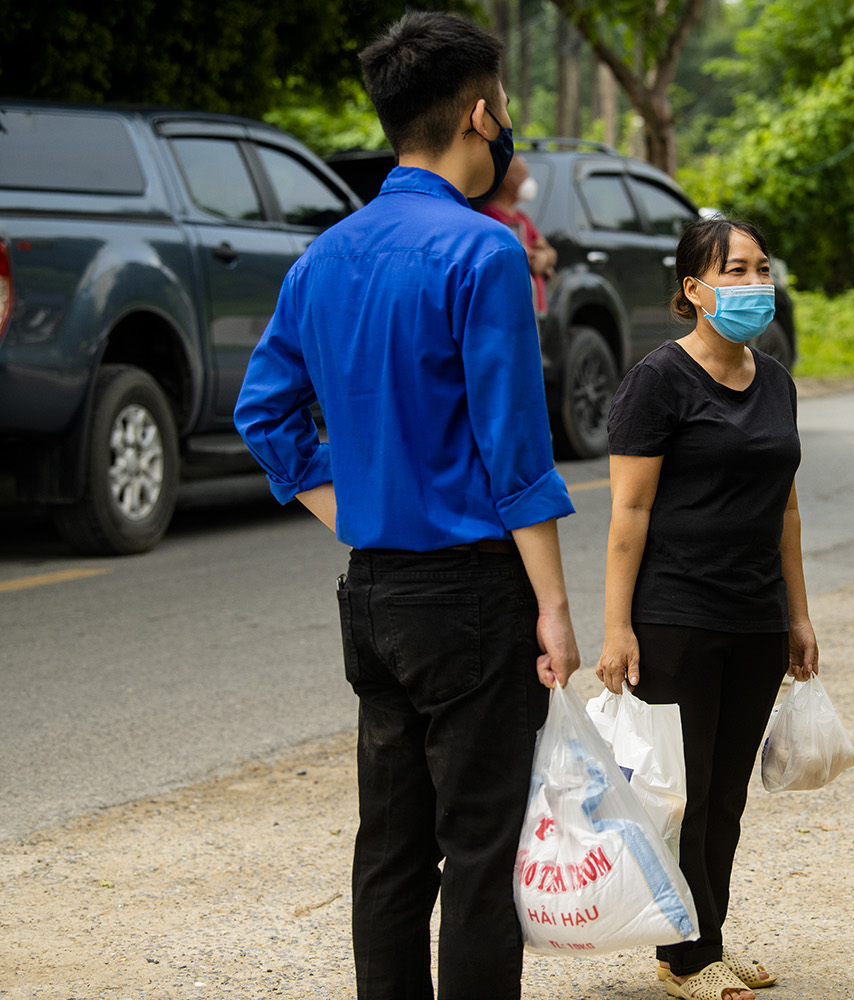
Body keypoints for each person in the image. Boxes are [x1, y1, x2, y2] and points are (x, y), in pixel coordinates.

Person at [233, 12, 580, 999]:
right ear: (480, 114)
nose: (506, 121)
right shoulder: (485, 255)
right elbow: (516, 456)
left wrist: (351, 511)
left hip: (375, 594)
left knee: (391, 852)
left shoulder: (325, 256)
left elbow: (263, 411)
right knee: (478, 855)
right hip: (473, 596)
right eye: (504, 104)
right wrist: (553, 607)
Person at [595, 216, 814, 1000]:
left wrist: (798, 614)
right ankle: (684, 957)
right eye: (737, 270)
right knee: (679, 796)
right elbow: (629, 513)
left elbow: (786, 510)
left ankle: (706, 935)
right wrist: (618, 626)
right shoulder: (658, 381)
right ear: (693, 289)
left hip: (755, 618)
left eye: (762, 268)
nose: (757, 284)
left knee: (724, 793)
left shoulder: (777, 381)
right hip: (677, 617)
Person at [481, 154, 556, 316]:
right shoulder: (491, 218)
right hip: (512, 309)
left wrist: (544, 258)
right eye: (524, 175)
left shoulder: (521, 217)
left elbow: (549, 251)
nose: (529, 181)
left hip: (534, 307)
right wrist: (534, 257)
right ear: (509, 181)